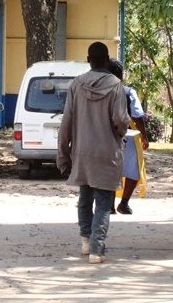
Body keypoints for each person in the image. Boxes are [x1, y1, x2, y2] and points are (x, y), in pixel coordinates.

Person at [57, 42, 129, 264]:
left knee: (85, 198)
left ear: (89, 60)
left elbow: (66, 122)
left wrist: (63, 156)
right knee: (104, 201)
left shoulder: (76, 85)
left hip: (82, 151)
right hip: (107, 152)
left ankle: (86, 242)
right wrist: (120, 132)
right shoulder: (116, 86)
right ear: (107, 60)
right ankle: (98, 250)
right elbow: (120, 120)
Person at [108, 58, 150, 215]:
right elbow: (138, 115)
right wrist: (145, 137)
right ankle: (124, 203)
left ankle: (110, 205)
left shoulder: (100, 92)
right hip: (128, 135)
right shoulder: (128, 92)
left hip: (107, 135)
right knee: (133, 170)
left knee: (111, 170)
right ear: (121, 75)